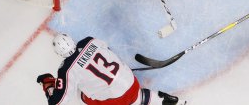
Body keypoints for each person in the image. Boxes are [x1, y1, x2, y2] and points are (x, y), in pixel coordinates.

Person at [36, 33, 186, 105]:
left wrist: (48, 85)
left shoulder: (66, 70)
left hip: (117, 100)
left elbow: (58, 101)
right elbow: (107, 49)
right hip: (132, 83)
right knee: (133, 94)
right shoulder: (90, 41)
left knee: (83, 97)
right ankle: (166, 101)